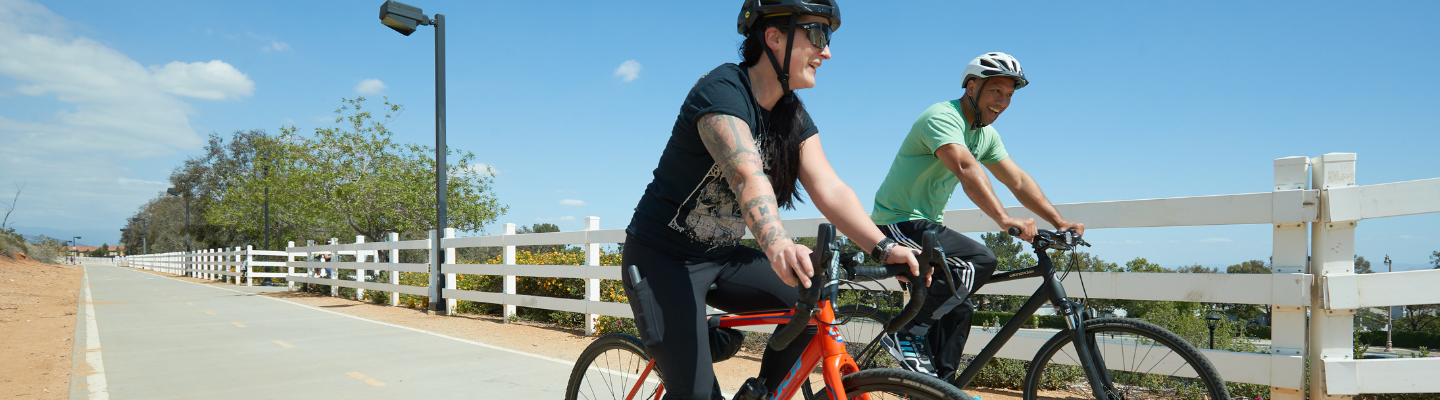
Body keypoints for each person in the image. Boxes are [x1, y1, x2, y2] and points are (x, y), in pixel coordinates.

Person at [620, 1, 931, 398]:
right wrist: (779, 244)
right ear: (774, 37)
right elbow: (746, 174)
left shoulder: (792, 116)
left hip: (722, 257)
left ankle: (763, 393)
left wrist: (884, 247)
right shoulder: (722, 91)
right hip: (660, 259)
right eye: (818, 35)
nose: (827, 51)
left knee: (813, 306)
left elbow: (830, 188)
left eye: (828, 38)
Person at [870, 52, 1086, 380]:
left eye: (1010, 95)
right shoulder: (942, 117)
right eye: (996, 91)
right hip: (896, 221)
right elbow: (965, 166)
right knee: (982, 260)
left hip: (925, 225)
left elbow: (1017, 180)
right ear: (972, 87)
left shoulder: (985, 135)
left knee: (961, 307)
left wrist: (1059, 222)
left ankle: (941, 388)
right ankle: (906, 333)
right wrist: (1005, 219)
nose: (1003, 101)